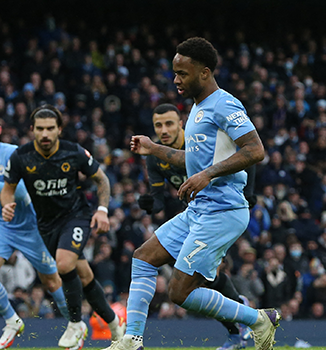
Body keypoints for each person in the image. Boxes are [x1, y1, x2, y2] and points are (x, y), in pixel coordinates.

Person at [107, 37, 279, 350]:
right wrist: (153, 148)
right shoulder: (199, 109)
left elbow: (256, 150)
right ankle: (131, 339)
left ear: (204, 72)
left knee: (179, 293)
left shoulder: (224, 104)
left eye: (182, 73)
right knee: (144, 259)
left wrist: (207, 174)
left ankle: (257, 319)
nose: (175, 80)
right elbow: (189, 160)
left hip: (223, 212)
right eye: (174, 73)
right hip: (200, 210)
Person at [1, 105, 125, 349]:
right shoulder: (21, 157)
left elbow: (101, 179)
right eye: (40, 129)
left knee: (64, 264)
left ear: (59, 129)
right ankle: (115, 327)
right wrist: (6, 205)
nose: (45, 134)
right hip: (46, 225)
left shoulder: (74, 152)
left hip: (75, 216)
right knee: (85, 277)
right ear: (32, 130)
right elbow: (7, 189)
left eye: (50, 129)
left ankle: (76, 324)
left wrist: (102, 210)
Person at [138, 103, 254, 350]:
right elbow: (158, 196)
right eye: (158, 125)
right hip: (192, 215)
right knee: (200, 281)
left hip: (220, 212)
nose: (164, 129)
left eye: (169, 123)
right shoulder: (157, 157)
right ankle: (239, 316)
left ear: (181, 123)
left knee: (194, 282)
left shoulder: (198, 141)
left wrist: (250, 192)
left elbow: (243, 156)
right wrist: (151, 203)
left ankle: (242, 325)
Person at [0, 111, 72, 349]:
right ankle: (12, 320)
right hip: (4, 225)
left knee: (52, 282)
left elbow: (22, 192)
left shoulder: (14, 154)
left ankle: (74, 324)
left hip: (32, 225)